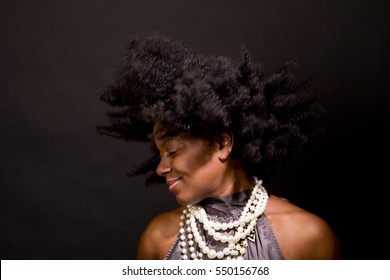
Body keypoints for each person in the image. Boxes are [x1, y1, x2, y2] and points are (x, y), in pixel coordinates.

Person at [97, 32, 341, 260]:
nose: (160, 168)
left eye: (172, 151)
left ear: (222, 144)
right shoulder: (158, 240)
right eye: (160, 155)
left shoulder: (306, 237)